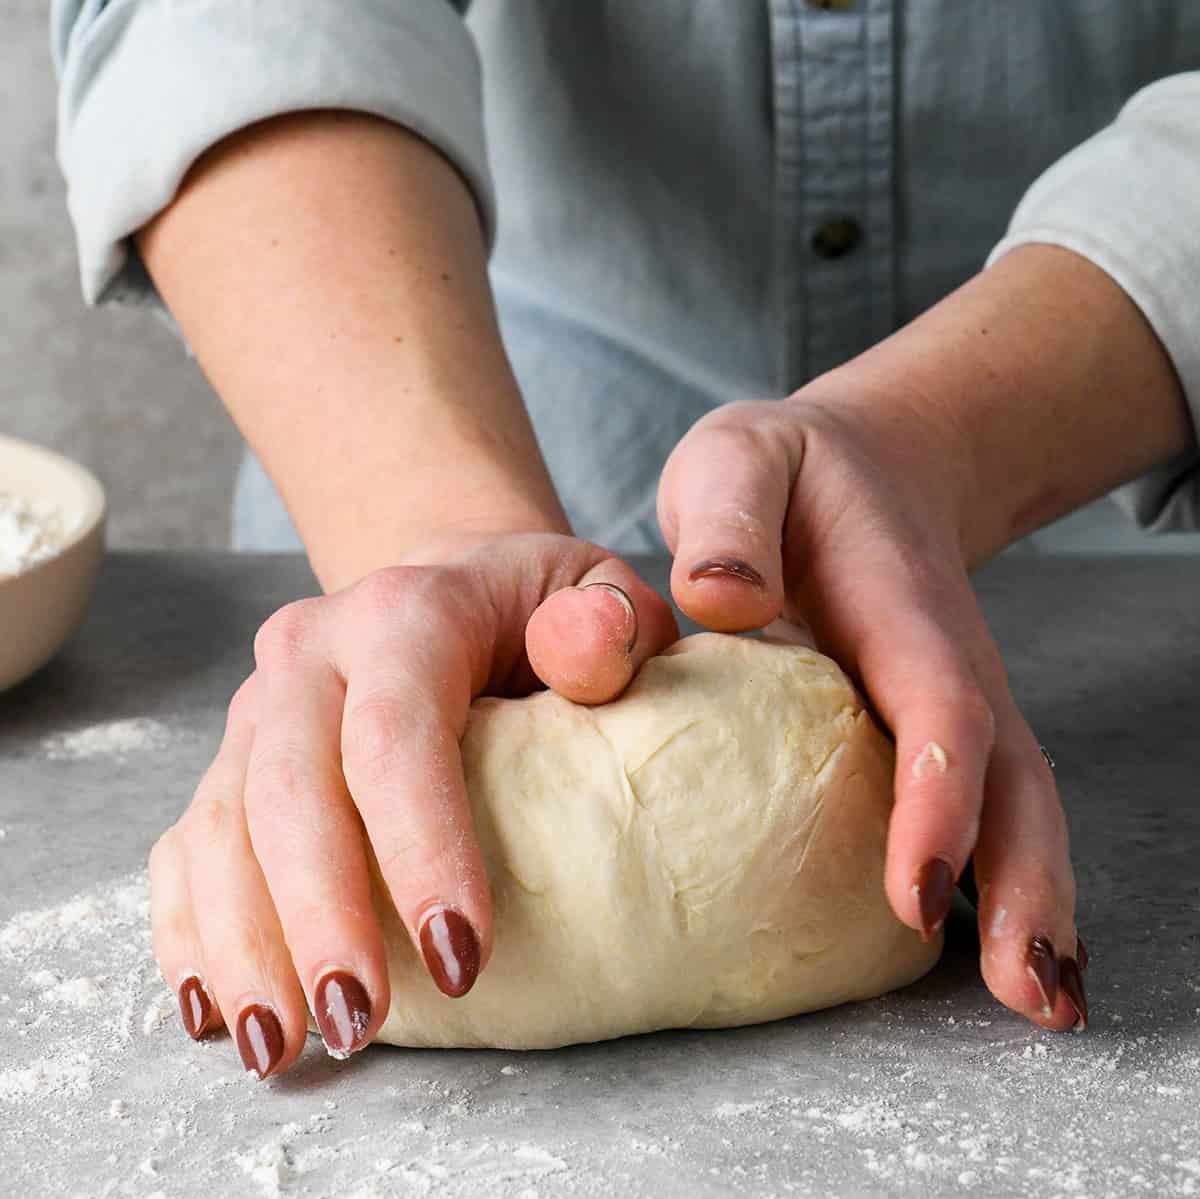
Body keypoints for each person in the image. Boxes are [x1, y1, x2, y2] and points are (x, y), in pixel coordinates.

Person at [53, 1, 1200, 1079]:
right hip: (409, 406)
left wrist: (951, 432)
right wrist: (433, 534)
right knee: (381, 831)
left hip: (1123, 469)